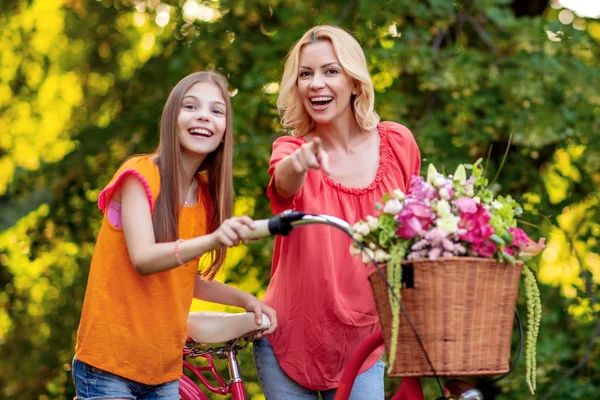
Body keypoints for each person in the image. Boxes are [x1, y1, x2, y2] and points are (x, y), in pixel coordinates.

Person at [72, 71, 277, 400]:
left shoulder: (206, 196)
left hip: (164, 371)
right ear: (172, 117)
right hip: (108, 366)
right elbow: (144, 258)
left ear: (225, 131)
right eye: (191, 106)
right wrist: (213, 240)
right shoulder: (139, 175)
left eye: (216, 111)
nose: (203, 117)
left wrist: (247, 300)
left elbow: (185, 278)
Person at [252, 26, 424, 399]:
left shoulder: (397, 144)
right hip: (288, 334)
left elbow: (416, 228)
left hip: (363, 340)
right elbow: (284, 185)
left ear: (355, 81)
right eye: (305, 74)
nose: (316, 83)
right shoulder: (290, 149)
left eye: (330, 71)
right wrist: (301, 161)